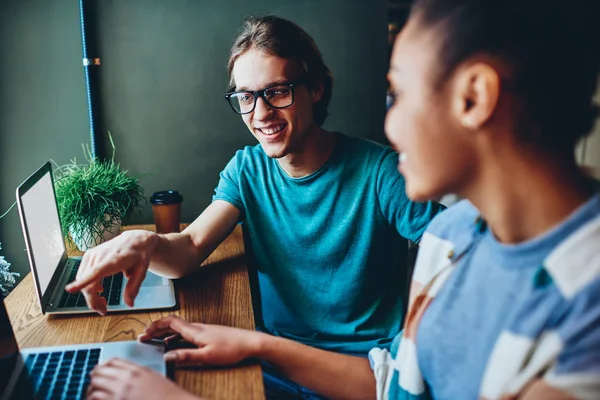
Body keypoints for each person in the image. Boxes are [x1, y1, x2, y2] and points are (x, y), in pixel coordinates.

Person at [86, 1, 600, 399]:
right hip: (310, 367)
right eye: (246, 97)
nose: (391, 124)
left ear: (474, 98)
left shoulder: (579, 306)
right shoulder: (455, 240)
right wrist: (250, 342)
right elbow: (395, 384)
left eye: (398, 94)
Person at [71, 15, 444, 400]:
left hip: (360, 375)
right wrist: (144, 244)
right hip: (273, 368)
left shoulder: (381, 174)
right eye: (245, 97)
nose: (260, 113)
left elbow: (463, 254)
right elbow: (191, 247)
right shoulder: (247, 170)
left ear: (315, 88)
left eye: (277, 91)